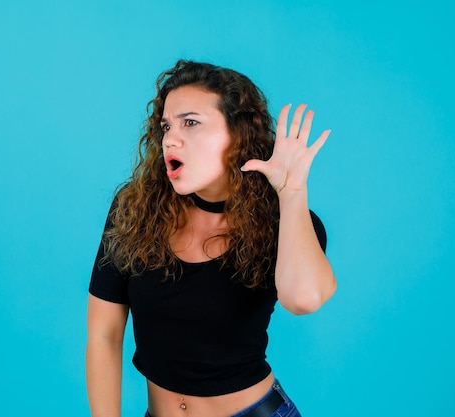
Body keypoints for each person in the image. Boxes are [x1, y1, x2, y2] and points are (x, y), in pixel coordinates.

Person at [86, 60, 336, 417]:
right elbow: (103, 335)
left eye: (191, 122)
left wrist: (292, 192)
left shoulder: (286, 222)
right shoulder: (135, 210)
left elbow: (305, 299)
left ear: (237, 135)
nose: (170, 137)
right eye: (166, 125)